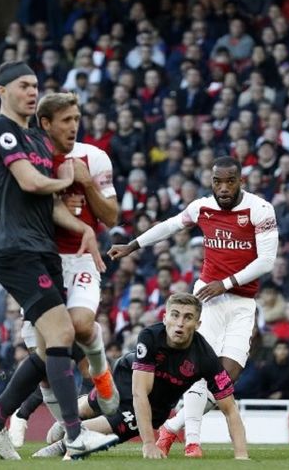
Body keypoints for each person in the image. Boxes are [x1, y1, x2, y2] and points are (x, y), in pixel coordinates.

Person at [0, 60, 110, 460]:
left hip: (42, 250)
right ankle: (74, 435)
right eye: (23, 86)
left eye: (35, 86)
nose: (32, 92)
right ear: (3, 91)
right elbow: (30, 182)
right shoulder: (0, 130)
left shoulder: (35, 138)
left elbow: (49, 205)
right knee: (64, 333)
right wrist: (70, 179)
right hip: (15, 250)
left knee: (49, 345)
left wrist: (83, 228)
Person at [108, 156, 278, 457]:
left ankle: (173, 428)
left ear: (242, 181)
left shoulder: (260, 209)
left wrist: (225, 283)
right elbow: (169, 226)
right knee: (200, 370)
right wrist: (132, 246)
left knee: (228, 375)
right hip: (207, 299)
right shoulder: (202, 207)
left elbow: (266, 261)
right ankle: (192, 443)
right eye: (217, 181)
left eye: (230, 181)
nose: (223, 188)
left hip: (241, 301)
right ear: (210, 181)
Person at [8, 92, 120, 447]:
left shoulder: (95, 157)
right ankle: (70, 438)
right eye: (66, 120)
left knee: (82, 325)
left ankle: (100, 371)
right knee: (45, 359)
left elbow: (112, 216)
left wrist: (85, 184)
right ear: (45, 123)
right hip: (40, 261)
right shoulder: (28, 161)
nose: (74, 126)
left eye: (76, 118)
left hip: (82, 257)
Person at [31, 293, 248, 460]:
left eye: (188, 317)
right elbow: (139, 392)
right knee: (95, 403)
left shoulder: (206, 357)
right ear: (165, 318)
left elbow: (230, 409)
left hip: (156, 408)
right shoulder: (150, 336)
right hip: (130, 377)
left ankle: (64, 443)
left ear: (198, 325)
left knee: (116, 424)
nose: (180, 323)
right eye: (175, 315)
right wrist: (148, 443)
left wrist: (241, 457)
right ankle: (70, 419)